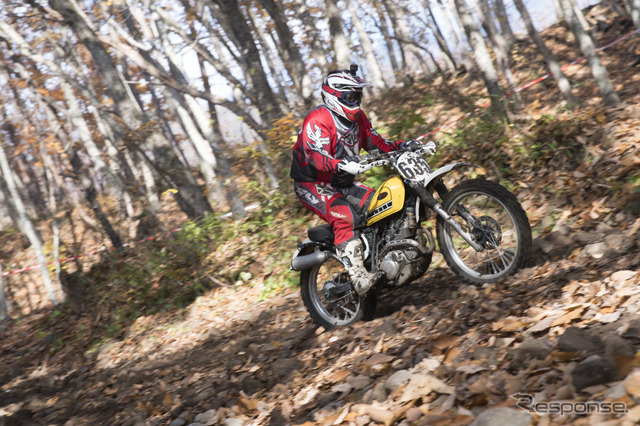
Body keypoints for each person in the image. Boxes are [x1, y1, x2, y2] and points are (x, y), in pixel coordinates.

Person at [290, 65, 420, 295]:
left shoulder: (359, 119)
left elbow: (376, 142)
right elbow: (315, 156)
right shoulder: (318, 119)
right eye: (351, 96)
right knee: (343, 214)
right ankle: (358, 276)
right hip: (312, 183)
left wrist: (403, 147)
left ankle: (381, 259)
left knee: (383, 205)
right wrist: (340, 164)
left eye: (358, 95)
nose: (356, 101)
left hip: (343, 182)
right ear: (334, 96)